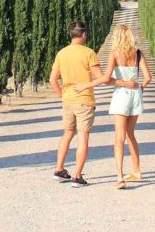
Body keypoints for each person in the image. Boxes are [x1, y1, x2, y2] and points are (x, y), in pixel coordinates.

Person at [49, 21, 128, 187]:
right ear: (84, 35)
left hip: (68, 100)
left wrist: (62, 95)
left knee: (67, 134)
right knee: (83, 138)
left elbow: (53, 79)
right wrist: (122, 83)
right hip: (84, 100)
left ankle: (59, 169)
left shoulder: (61, 53)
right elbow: (102, 78)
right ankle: (77, 176)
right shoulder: (89, 53)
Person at [73, 24, 151, 189]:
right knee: (131, 134)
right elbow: (148, 77)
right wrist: (140, 88)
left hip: (122, 95)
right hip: (136, 95)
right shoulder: (138, 53)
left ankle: (120, 177)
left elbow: (106, 78)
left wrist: (85, 86)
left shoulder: (115, 53)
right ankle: (136, 171)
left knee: (119, 137)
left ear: (117, 37)